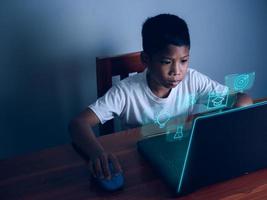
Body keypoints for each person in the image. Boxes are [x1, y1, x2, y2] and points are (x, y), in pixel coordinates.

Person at [69, 14, 252, 181]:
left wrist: (227, 129)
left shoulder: (193, 81)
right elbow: (78, 124)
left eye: (184, 61)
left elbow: (243, 100)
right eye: (166, 62)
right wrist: (97, 153)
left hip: (179, 160)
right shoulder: (126, 92)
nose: (177, 72)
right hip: (140, 167)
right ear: (146, 60)